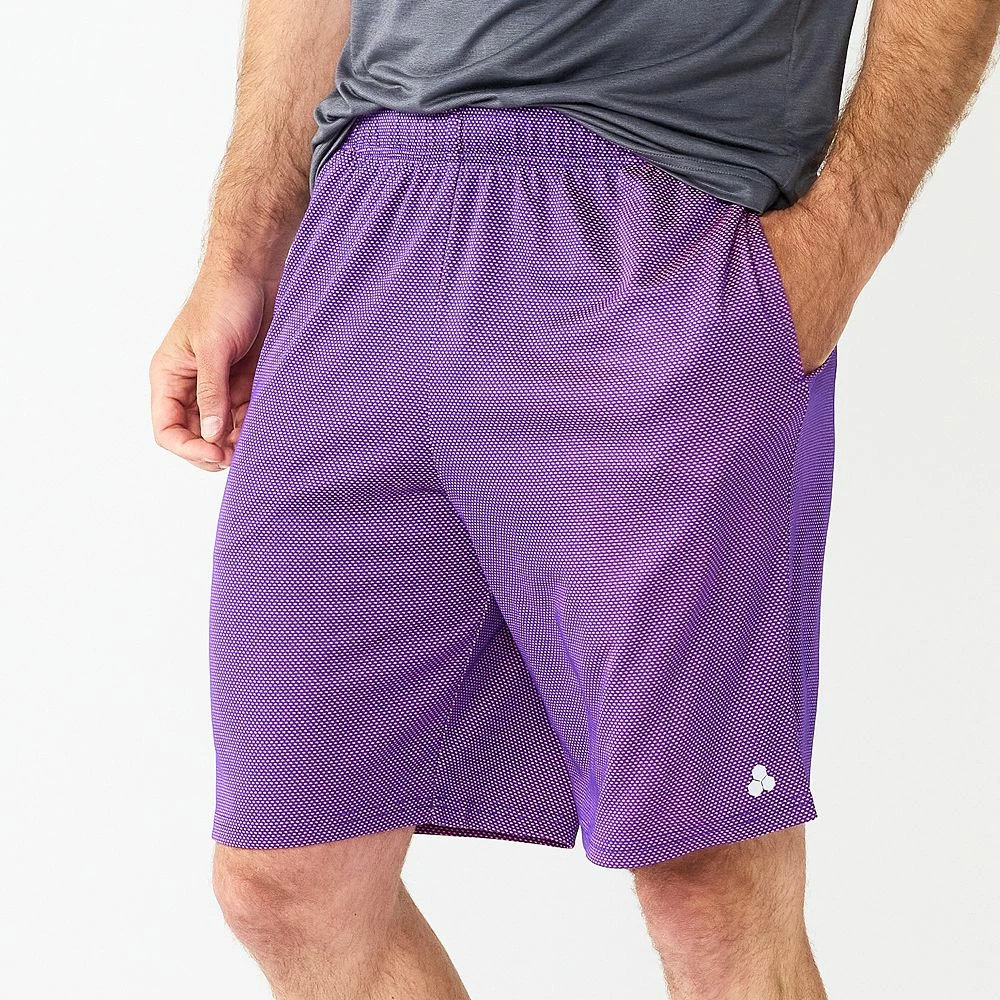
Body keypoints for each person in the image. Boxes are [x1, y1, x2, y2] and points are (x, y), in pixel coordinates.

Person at [149, 0, 999, 996]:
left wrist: (843, 235)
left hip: (660, 205)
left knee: (706, 878)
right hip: (366, 219)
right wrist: (243, 246)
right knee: (288, 875)